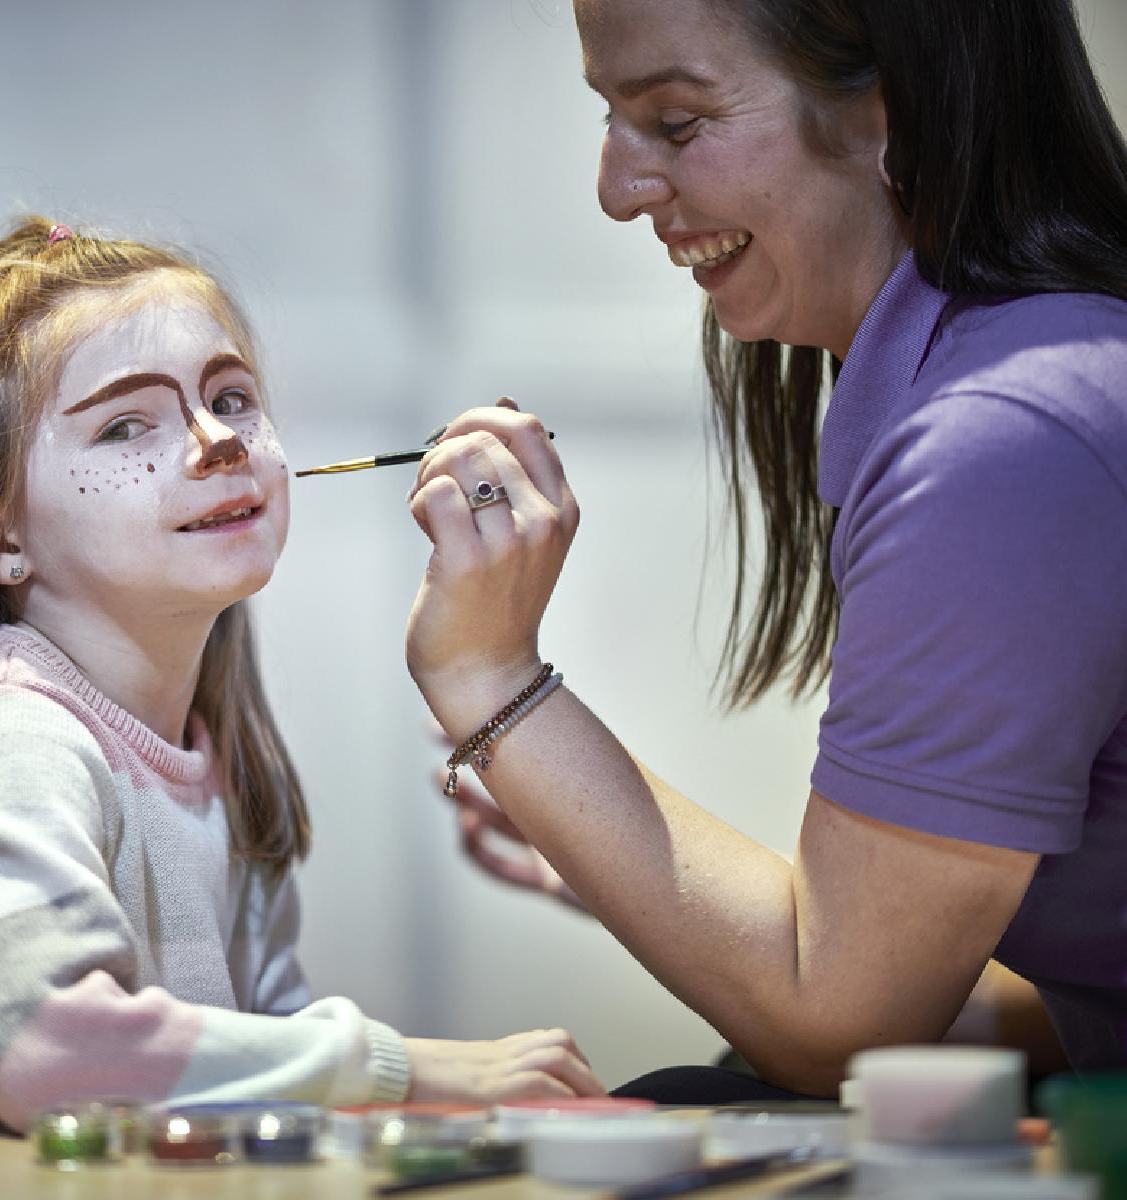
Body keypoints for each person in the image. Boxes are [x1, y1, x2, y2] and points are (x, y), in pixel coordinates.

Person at [0, 217, 601, 1157]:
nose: (217, 441)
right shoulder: (7, 747)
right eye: (124, 424)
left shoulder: (225, 769)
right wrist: (401, 1070)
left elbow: (267, 1098)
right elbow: (53, 1055)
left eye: (231, 398)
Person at [406, 0, 1127, 1099]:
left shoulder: (1004, 440)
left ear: (891, 107)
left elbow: (837, 1024)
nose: (617, 190)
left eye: (677, 122)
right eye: (610, 118)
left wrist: (485, 672)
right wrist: (676, 900)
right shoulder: (1043, 368)